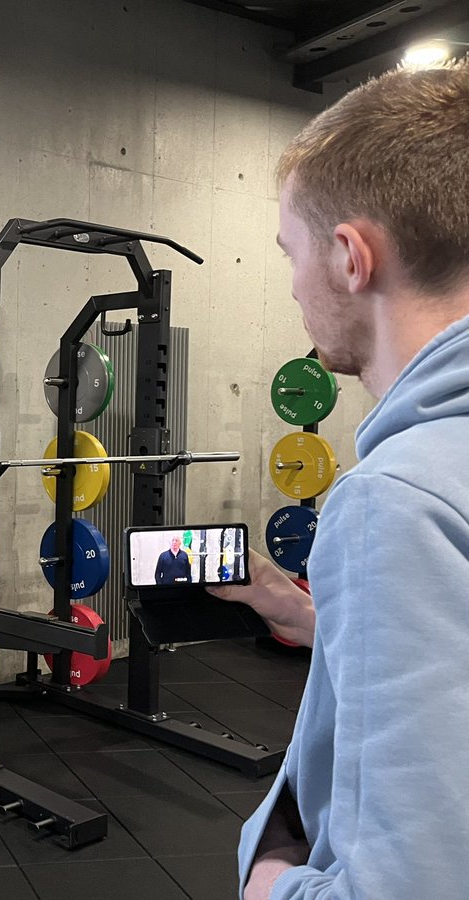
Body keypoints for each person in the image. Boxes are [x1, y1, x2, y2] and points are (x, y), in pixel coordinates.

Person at [209, 60, 469, 900]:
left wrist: (268, 882)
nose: (291, 284)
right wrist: (314, 619)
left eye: (292, 253)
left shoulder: (395, 502)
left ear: (352, 258)